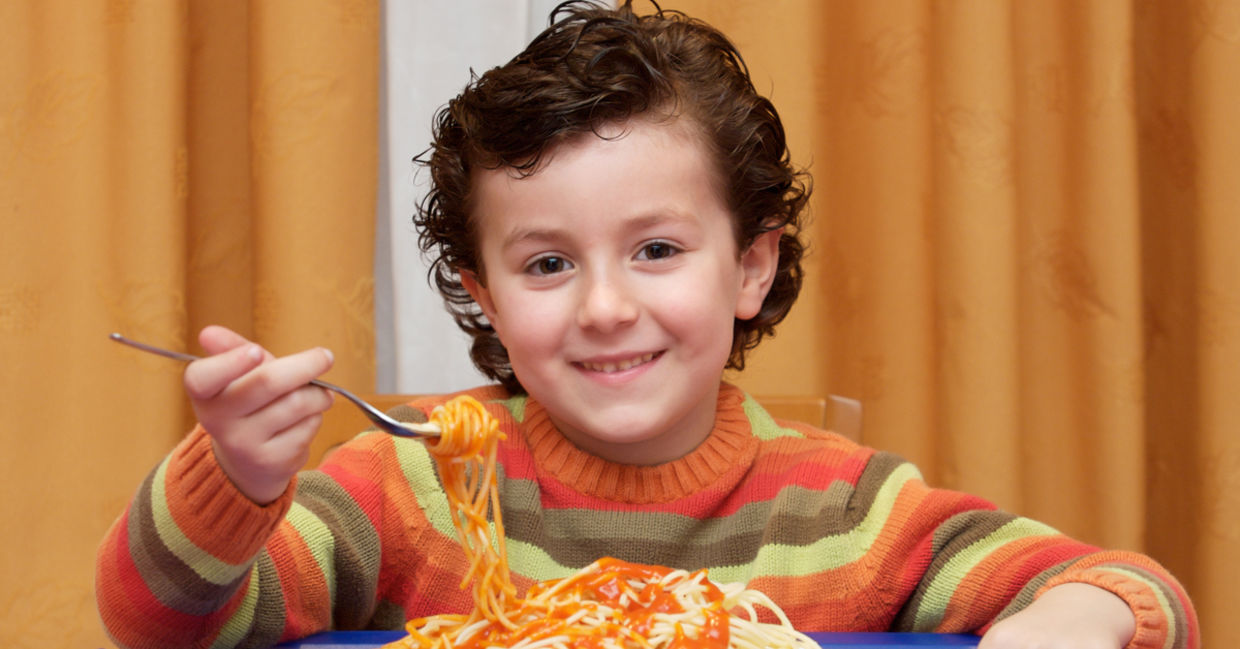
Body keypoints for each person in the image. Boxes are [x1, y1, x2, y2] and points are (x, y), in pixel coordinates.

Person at [95, 2, 1198, 648]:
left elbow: (1135, 590)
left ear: (750, 268)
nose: (606, 304)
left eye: (657, 250)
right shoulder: (414, 488)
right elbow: (166, 622)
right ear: (481, 293)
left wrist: (1067, 621)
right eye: (546, 263)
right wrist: (234, 478)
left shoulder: (848, 512)